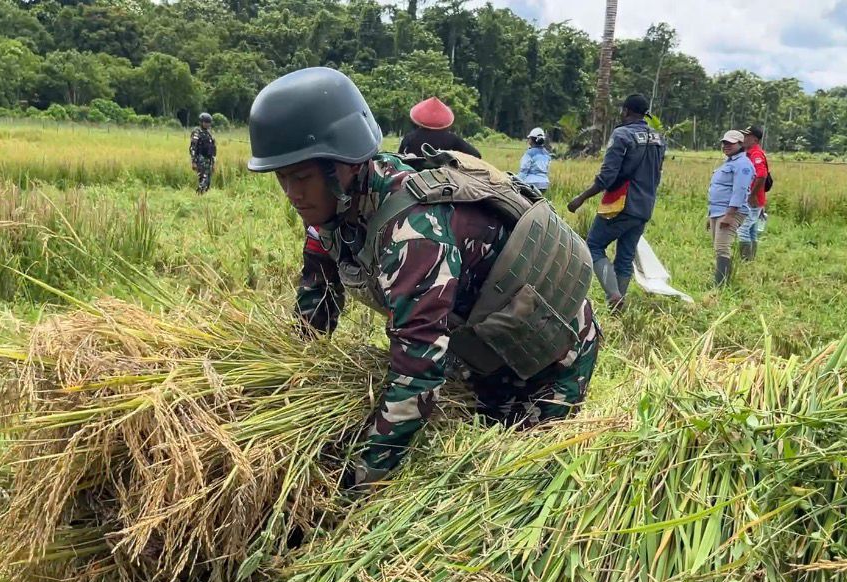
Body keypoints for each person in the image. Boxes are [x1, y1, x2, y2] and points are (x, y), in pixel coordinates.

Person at [247, 67, 600, 488]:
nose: (292, 194)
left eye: (302, 177)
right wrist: (286, 390)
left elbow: (416, 374)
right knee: (472, 429)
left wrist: (359, 480)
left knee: (514, 481)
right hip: (475, 340)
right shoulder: (332, 216)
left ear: (344, 166)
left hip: (548, 350)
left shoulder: (414, 231)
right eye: (282, 178)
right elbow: (314, 308)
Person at [567, 94, 665, 312]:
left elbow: (608, 176)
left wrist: (581, 198)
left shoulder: (622, 135)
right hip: (644, 206)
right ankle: (618, 306)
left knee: (593, 246)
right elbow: (657, 175)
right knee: (625, 256)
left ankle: (613, 296)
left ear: (626, 111)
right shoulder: (659, 138)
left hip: (620, 203)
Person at [708, 130, 755, 287]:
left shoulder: (743, 165)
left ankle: (721, 285)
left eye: (730, 143)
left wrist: (730, 215)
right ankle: (721, 282)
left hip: (729, 211)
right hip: (717, 211)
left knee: (722, 248)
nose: (726, 146)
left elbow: (739, 190)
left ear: (741, 144)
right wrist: (710, 215)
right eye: (724, 143)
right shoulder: (729, 163)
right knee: (718, 247)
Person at [397, 96, 481, 159]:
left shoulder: (410, 137)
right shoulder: (452, 139)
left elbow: (400, 158)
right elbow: (476, 155)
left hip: (414, 177)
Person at [738, 125, 770, 261]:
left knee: (742, 229)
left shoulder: (756, 154)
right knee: (751, 229)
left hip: (753, 199)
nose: (743, 138)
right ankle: (751, 259)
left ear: (755, 139)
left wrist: (752, 195)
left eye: (747, 136)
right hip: (753, 198)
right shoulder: (748, 153)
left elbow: (762, 175)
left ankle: (745, 260)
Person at [517, 127, 551, 194]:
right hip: (544, 184)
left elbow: (524, 170)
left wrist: (516, 181)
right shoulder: (546, 153)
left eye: (529, 138)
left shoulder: (529, 153)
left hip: (531, 184)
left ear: (532, 140)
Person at [190, 112, 217, 194]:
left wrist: (213, 163)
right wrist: (193, 162)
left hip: (209, 160)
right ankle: (198, 196)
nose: (207, 124)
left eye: (209, 123)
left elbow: (212, 150)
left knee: (208, 182)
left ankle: (204, 198)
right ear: (201, 122)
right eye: (205, 122)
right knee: (203, 180)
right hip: (200, 159)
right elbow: (193, 148)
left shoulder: (209, 134)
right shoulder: (197, 132)